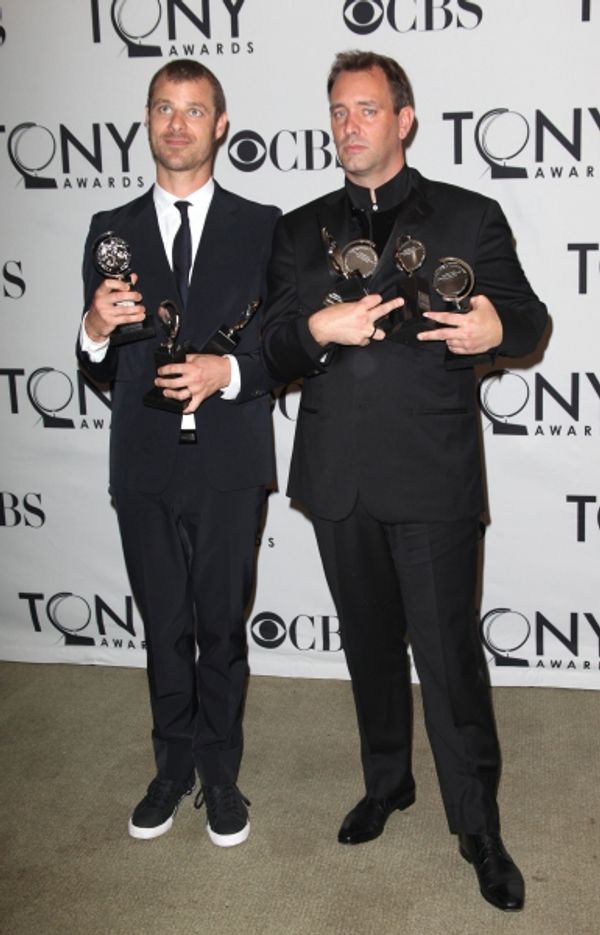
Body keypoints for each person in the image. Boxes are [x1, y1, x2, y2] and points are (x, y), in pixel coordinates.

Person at [261, 50, 547, 911]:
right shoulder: (296, 229)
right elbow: (270, 348)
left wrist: (494, 327)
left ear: (405, 119)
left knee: (450, 658)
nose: (351, 125)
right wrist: (319, 324)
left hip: (432, 476)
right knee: (369, 646)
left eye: (368, 110)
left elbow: (528, 320)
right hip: (339, 475)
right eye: (339, 112)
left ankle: (478, 825)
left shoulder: (470, 215)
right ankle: (388, 782)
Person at [77, 60, 280, 848]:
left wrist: (225, 370)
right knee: (163, 623)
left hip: (230, 458)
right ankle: (173, 766)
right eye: (164, 107)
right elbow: (97, 362)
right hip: (145, 463)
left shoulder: (265, 225)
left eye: (194, 110)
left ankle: (221, 774)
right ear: (148, 118)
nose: (177, 124)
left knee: (222, 626)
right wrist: (92, 329)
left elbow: (286, 347)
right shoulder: (110, 227)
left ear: (219, 126)